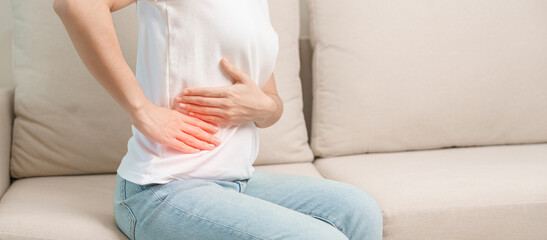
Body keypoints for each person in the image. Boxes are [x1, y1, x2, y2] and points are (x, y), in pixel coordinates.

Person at [53, 0, 383, 239]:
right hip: (163, 188)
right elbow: (76, 4)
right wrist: (142, 109)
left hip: (235, 181)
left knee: (359, 209)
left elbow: (270, 103)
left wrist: (264, 108)